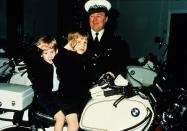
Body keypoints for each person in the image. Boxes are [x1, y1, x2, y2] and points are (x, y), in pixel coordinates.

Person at [21, 35, 79, 131]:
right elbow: (29, 56)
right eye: (46, 53)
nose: (50, 55)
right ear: (41, 54)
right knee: (60, 119)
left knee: (74, 122)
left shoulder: (58, 62)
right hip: (45, 97)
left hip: (60, 95)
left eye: (52, 52)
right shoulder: (39, 65)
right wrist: (37, 48)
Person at [84, 0, 130, 85]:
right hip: (82, 88)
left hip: (106, 89)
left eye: (99, 16)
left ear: (106, 19)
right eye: (92, 16)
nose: (95, 20)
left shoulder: (117, 43)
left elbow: (120, 70)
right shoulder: (78, 39)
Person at [54, 30, 90, 115]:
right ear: (70, 42)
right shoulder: (66, 56)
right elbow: (58, 58)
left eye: (85, 42)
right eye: (79, 42)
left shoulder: (80, 58)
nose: (83, 45)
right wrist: (68, 46)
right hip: (67, 98)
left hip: (79, 97)